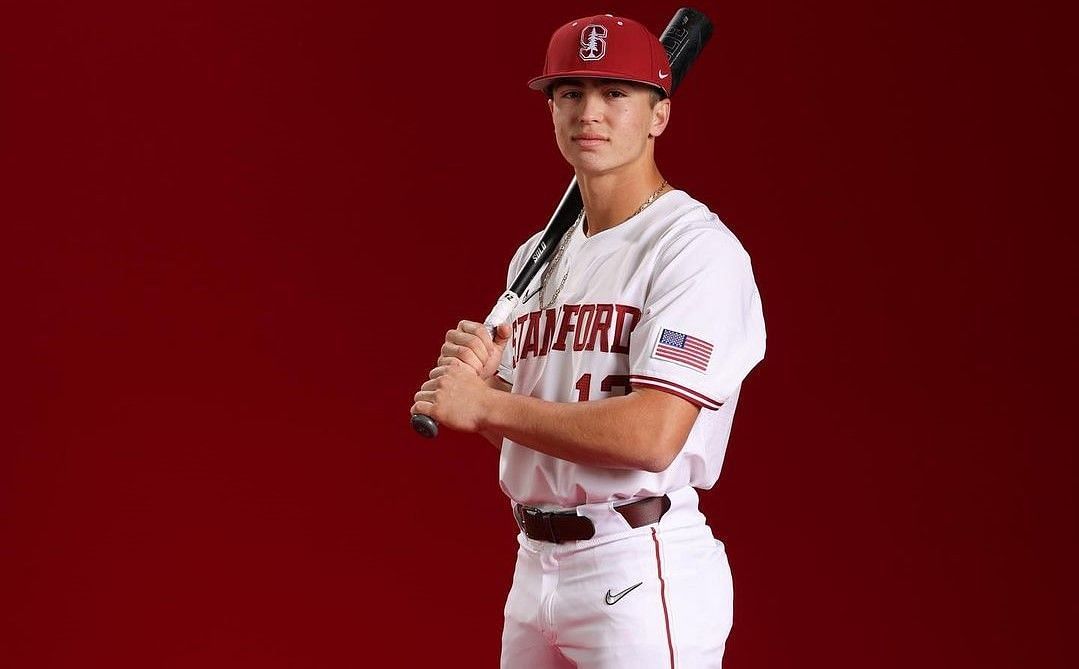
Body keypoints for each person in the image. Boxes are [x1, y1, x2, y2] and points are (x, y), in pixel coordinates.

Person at [411, 13, 766, 668]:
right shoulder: (533, 260)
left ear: (658, 114)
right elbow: (545, 432)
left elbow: (651, 435)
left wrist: (489, 405)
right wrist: (481, 393)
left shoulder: (693, 250)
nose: (588, 113)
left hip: (636, 562)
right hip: (534, 563)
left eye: (615, 93)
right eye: (569, 93)